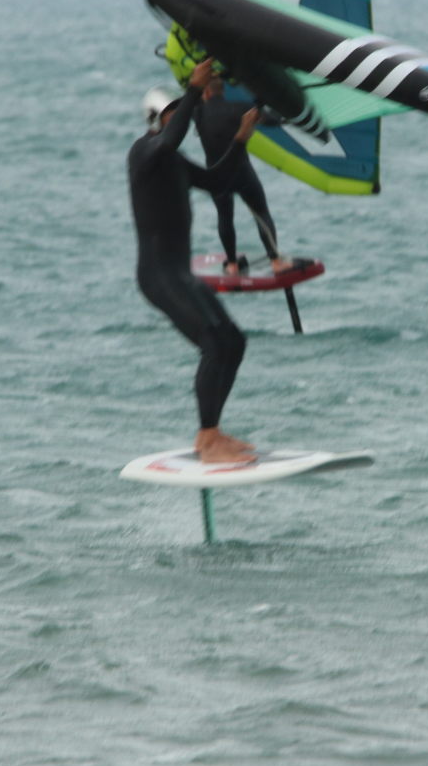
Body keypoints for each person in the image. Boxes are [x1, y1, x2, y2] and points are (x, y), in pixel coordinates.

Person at [129, 59, 263, 464]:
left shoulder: (174, 161)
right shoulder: (144, 153)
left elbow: (218, 181)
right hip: (158, 276)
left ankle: (213, 434)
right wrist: (192, 90)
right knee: (212, 344)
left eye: (181, 112)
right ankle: (207, 438)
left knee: (233, 342)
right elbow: (169, 139)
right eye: (171, 113)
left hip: (179, 274)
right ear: (155, 119)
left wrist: (240, 140)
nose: (181, 120)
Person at [192, 73, 307, 277]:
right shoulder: (239, 109)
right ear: (223, 91)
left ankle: (232, 265)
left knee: (225, 217)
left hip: (216, 176)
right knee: (261, 213)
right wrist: (261, 101)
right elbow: (274, 121)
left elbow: (188, 100)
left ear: (206, 92)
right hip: (241, 173)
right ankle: (276, 262)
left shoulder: (198, 113)